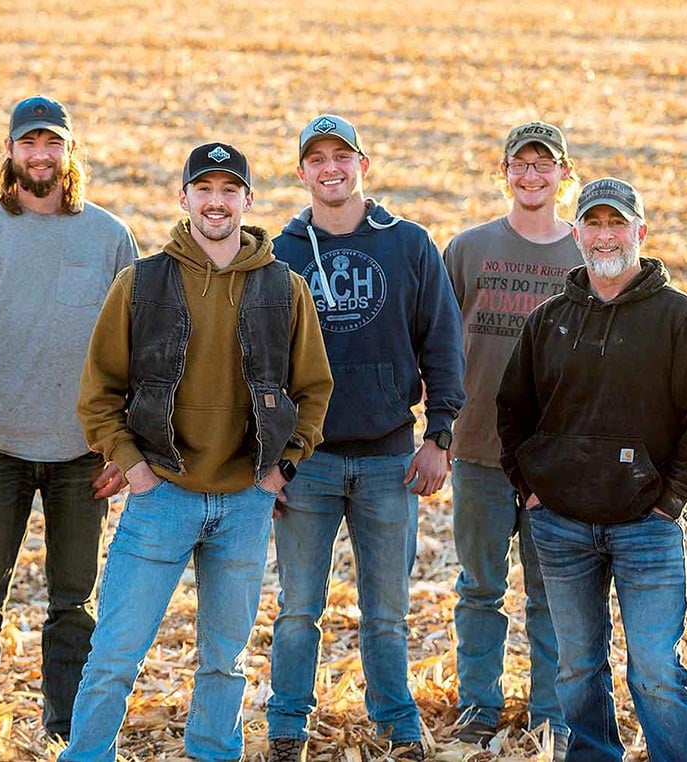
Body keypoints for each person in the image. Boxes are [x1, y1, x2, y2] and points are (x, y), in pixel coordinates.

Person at [59, 142, 332, 762]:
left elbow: (313, 391)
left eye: (228, 190)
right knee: (114, 657)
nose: (216, 201)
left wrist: (280, 469)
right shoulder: (142, 283)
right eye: (203, 189)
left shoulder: (282, 287)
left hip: (244, 502)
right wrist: (135, 468)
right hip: (163, 497)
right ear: (183, 199)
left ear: (247, 201)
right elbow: (98, 393)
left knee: (225, 664)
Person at [0, 95, 138, 759]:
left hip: (82, 452)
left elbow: (128, 354)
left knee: (73, 601)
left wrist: (122, 442)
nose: (41, 155)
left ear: (69, 152)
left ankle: (65, 731)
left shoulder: (110, 238)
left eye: (52, 143)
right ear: (11, 152)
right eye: (30, 143)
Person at [497, 177, 687, 762]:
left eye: (616, 223)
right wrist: (532, 489)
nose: (604, 235)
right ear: (576, 235)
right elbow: (513, 411)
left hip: (646, 526)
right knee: (577, 667)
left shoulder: (682, 320)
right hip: (561, 526)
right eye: (593, 224)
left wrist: (671, 499)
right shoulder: (549, 319)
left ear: (640, 232)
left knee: (653, 669)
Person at [266, 114, 465, 762]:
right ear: (302, 172)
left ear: (362, 165)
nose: (331, 168)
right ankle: (287, 726)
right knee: (298, 611)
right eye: (317, 158)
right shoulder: (281, 253)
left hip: (388, 460)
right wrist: (269, 460)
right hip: (308, 464)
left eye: (342, 156)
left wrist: (439, 435)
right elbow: (259, 365)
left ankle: (397, 721)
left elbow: (443, 343)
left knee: (387, 612)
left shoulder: (408, 243)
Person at [442, 121, 579, 754]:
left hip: (556, 462)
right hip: (477, 450)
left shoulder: (584, 254)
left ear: (562, 174)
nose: (531, 175)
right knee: (480, 589)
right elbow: (437, 346)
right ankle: (479, 704)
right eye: (519, 165)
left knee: (552, 593)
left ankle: (553, 711)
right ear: (503, 172)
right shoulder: (468, 249)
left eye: (543, 165)